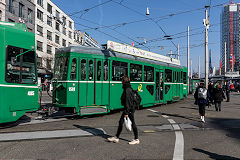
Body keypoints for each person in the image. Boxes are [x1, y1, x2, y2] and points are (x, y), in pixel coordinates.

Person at [107, 75, 139, 145]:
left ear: (123, 81)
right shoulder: (127, 88)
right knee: (121, 122)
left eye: (121, 81)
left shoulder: (127, 90)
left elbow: (128, 102)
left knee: (132, 123)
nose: (121, 82)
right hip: (129, 109)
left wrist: (127, 112)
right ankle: (116, 137)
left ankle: (136, 139)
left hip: (129, 109)